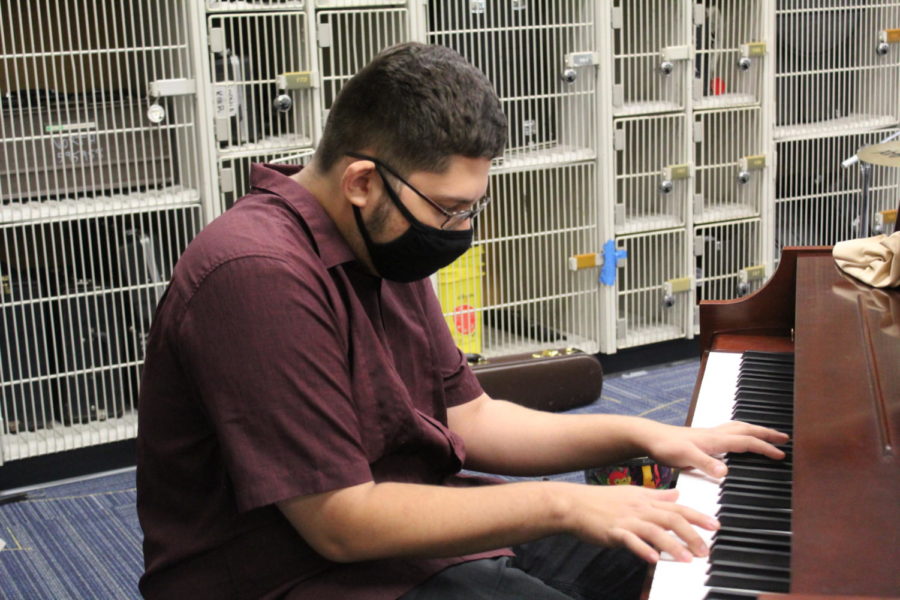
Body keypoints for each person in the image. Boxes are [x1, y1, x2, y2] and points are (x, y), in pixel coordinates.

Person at [136, 42, 789, 600]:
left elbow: (469, 417)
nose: (461, 231)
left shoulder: (380, 241)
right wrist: (562, 503)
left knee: (671, 559)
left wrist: (643, 435)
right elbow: (339, 522)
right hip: (292, 572)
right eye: (450, 210)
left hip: (413, 531)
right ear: (362, 180)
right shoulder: (255, 274)